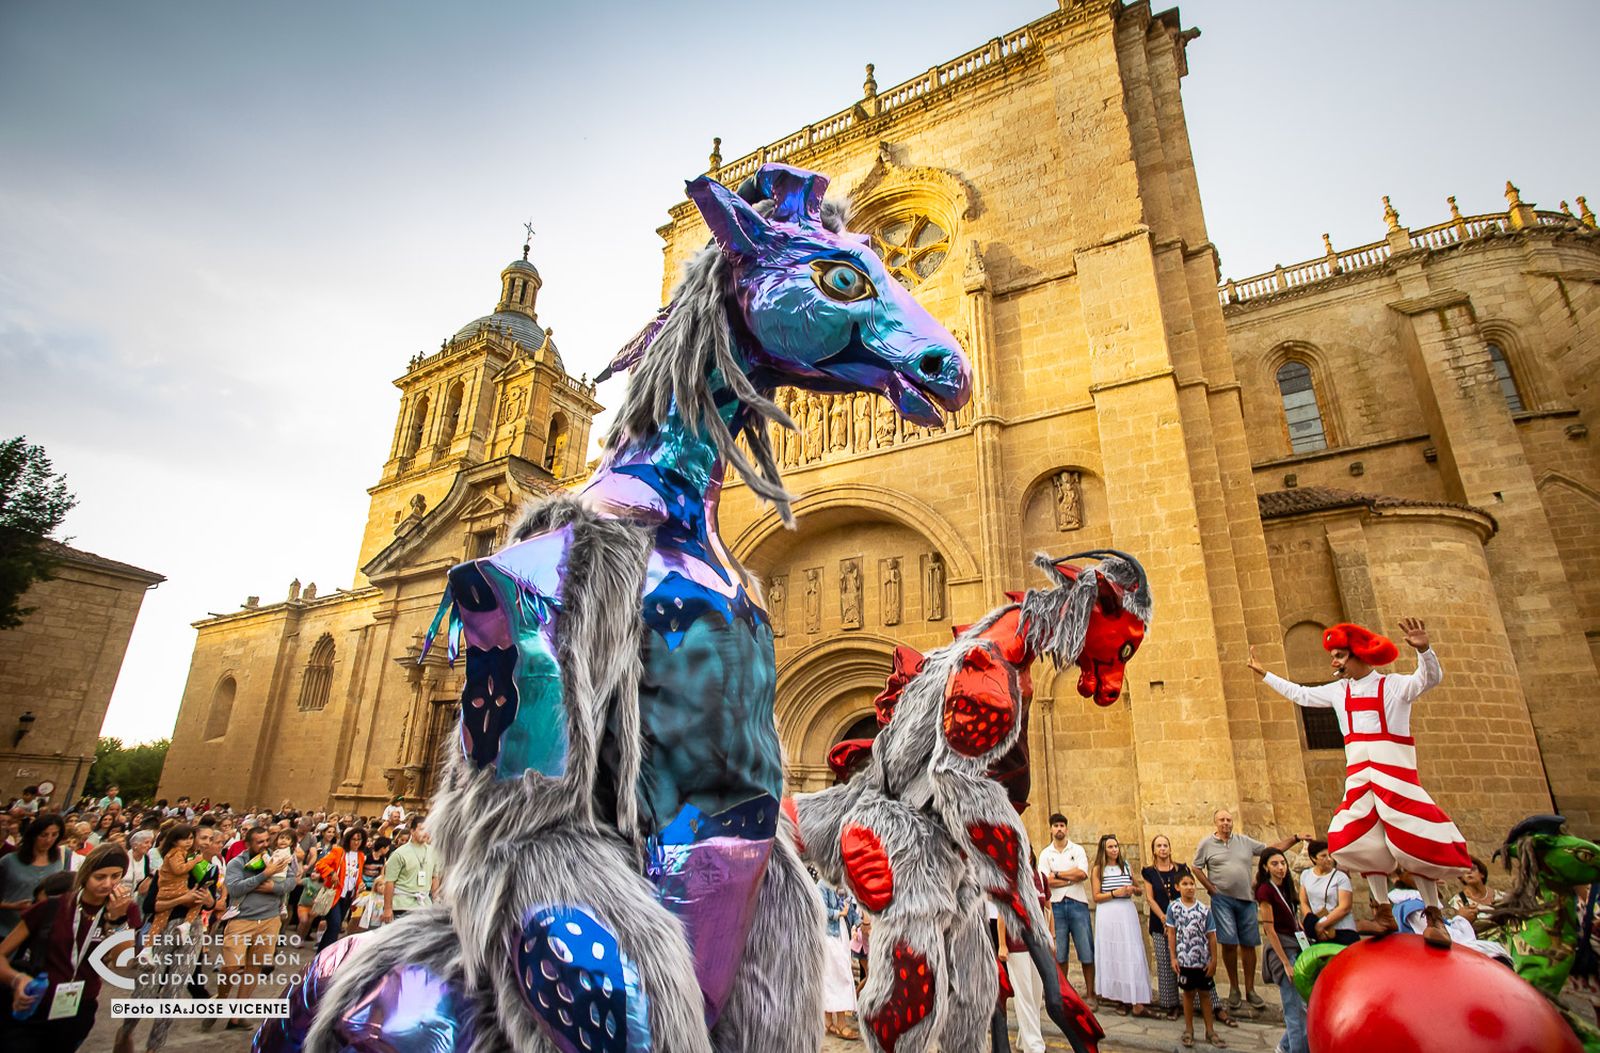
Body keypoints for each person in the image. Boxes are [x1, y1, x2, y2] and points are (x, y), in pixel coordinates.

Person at [1249, 618, 1469, 946]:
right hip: (1361, 778)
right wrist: (1264, 673)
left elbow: (1428, 679)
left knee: (1414, 842)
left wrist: (1424, 649)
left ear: (1358, 655)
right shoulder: (1340, 691)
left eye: (1339, 655)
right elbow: (1301, 694)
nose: (1334, 662)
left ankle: (1433, 914)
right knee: (1353, 840)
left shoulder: (1393, 686)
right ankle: (1381, 910)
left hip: (1395, 776)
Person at [0, 844, 139, 1053]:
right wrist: (17, 979)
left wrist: (118, 921)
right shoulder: (53, 906)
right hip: (36, 1002)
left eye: (116, 876)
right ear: (85, 875)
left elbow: (123, 961)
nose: (108, 884)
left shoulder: (126, 909)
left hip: (79, 1006)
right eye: (100, 877)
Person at [1192, 809, 1306, 1011]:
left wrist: (1295, 838)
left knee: (1249, 943)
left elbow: (1271, 850)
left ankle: (1250, 989)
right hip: (1222, 900)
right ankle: (1234, 988)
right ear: (1215, 823)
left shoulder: (1244, 842)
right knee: (1228, 943)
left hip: (1246, 899)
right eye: (1222, 820)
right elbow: (1196, 867)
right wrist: (1211, 888)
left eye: (1228, 820)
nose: (1226, 823)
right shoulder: (1207, 844)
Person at [116, 824, 211, 1053]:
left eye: (210, 839)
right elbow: (150, 906)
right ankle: (126, 1033)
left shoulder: (206, 869)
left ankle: (154, 1047)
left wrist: (207, 899)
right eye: (201, 838)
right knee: (146, 989)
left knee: (174, 990)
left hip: (192, 931)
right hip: (164, 928)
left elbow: (215, 903)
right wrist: (183, 898)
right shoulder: (167, 869)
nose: (204, 842)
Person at [206, 826, 295, 1031]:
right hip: (241, 920)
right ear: (248, 844)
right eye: (259, 842)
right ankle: (220, 1000)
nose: (265, 845)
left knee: (253, 967)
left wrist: (273, 887)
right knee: (230, 968)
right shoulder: (238, 862)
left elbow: (290, 882)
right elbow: (235, 888)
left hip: (269, 920)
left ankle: (237, 1016)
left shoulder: (276, 857)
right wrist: (265, 875)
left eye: (266, 841)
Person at [1091, 834, 1151, 1015]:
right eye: (1110, 847)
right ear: (1104, 849)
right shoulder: (1098, 869)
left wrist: (1134, 890)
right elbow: (1096, 897)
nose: (1114, 850)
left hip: (1126, 911)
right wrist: (1115, 893)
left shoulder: (1125, 866)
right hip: (1108, 913)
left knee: (1130, 953)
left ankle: (1135, 999)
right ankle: (1120, 999)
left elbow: (1138, 889)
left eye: (1116, 846)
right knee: (1114, 954)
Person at [1254, 848, 1308, 1053]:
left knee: (1303, 1008)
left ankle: (1284, 1047)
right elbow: (1269, 929)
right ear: (1266, 867)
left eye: (1282, 863)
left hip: (1296, 945)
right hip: (1283, 951)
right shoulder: (1265, 891)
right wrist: (1286, 962)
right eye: (1275, 864)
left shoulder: (1286, 887)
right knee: (1295, 1010)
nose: (1280, 868)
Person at [1166, 871, 1225, 1049]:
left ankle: (1210, 1030)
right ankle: (1189, 1029)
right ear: (1177, 887)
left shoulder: (1203, 910)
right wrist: (1173, 957)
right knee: (1188, 994)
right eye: (1185, 884)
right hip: (1185, 960)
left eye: (1192, 884)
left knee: (1205, 994)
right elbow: (1171, 933)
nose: (1190, 887)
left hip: (1202, 959)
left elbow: (1212, 936)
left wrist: (1214, 960)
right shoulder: (1174, 908)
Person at [1038, 812, 1094, 994]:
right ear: (1050, 829)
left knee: (1086, 950)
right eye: (1056, 826)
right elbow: (1045, 881)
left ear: (1066, 828)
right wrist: (1070, 877)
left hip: (1077, 903)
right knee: (1060, 953)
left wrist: (1059, 875)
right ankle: (1063, 993)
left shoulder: (1077, 850)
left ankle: (1091, 992)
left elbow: (1082, 874)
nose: (1059, 829)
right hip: (1056, 905)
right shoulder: (1046, 854)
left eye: (1062, 825)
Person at [1142, 833, 1190, 1020]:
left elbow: (1188, 889)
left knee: (1187, 960)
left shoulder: (1181, 869)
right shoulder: (1149, 872)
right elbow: (1150, 898)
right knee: (1164, 963)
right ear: (1153, 850)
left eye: (1165, 845)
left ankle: (1192, 1001)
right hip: (1159, 921)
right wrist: (1164, 918)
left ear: (1170, 848)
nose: (1163, 849)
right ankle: (1171, 1004)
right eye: (1159, 845)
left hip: (1182, 921)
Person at [0, 815, 67, 935]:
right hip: (5, 928)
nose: (49, 840)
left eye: (54, 835)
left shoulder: (58, 861)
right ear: (33, 836)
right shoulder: (9, 861)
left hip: (35, 932)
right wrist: (11, 906)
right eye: (44, 835)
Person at [816, 876, 859, 1039]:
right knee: (837, 976)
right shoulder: (822, 884)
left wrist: (859, 922)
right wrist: (839, 912)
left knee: (836, 974)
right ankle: (839, 1023)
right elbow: (820, 909)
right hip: (829, 935)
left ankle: (829, 1022)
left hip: (841, 932)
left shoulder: (842, 885)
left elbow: (852, 909)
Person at [312, 827, 367, 950]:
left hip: (348, 895)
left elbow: (357, 875)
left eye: (359, 839)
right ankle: (326, 954)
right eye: (354, 839)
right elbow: (320, 864)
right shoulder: (339, 851)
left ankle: (322, 952)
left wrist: (361, 884)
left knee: (334, 927)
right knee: (335, 925)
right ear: (348, 840)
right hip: (335, 894)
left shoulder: (361, 856)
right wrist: (331, 873)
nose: (356, 842)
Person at [1297, 840, 1357, 945]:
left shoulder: (1340, 877)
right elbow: (1303, 901)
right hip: (1318, 930)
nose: (1328, 859)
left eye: (1330, 855)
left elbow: (1345, 907)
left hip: (1341, 929)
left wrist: (1322, 925)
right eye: (1323, 856)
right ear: (1313, 858)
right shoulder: (1306, 875)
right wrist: (1311, 921)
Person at [382, 819, 438, 924]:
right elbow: (389, 882)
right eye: (422, 829)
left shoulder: (433, 852)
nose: (426, 832)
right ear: (412, 831)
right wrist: (387, 908)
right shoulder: (399, 853)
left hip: (425, 904)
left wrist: (436, 900)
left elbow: (435, 877)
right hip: (402, 904)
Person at [1452, 857, 1496, 929]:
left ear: (1482, 874)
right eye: (1464, 871)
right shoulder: (1457, 901)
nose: (1469, 872)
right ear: (1461, 877)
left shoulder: (1501, 896)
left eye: (1473, 869)